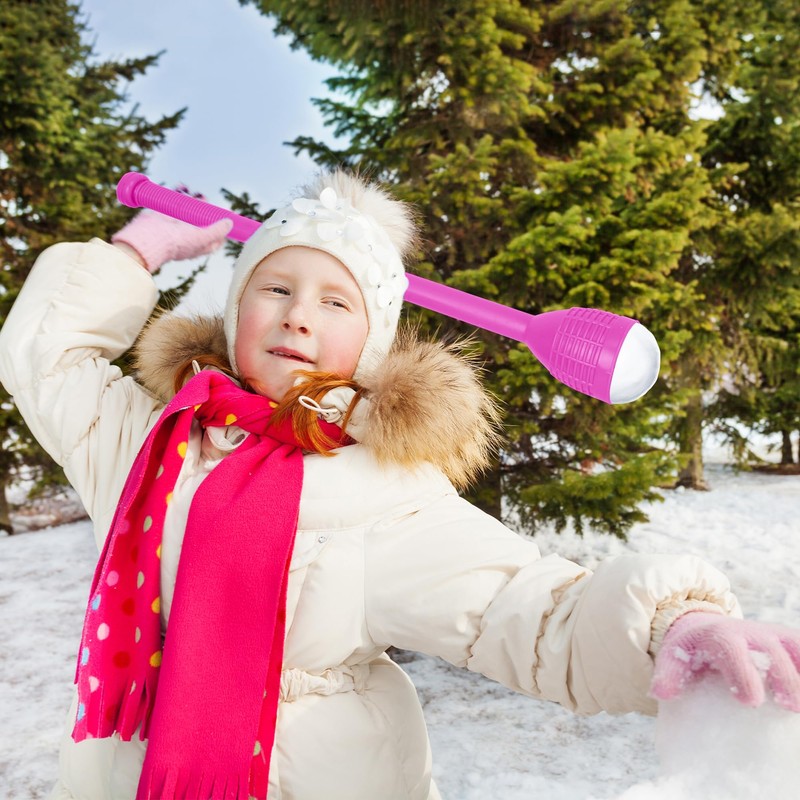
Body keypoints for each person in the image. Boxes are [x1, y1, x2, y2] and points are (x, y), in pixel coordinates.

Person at [0, 171, 798, 800]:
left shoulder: (385, 488)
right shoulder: (149, 439)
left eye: (334, 300)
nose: (297, 317)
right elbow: (46, 357)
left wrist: (671, 625)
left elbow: (523, 609)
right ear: (236, 308)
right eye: (274, 289)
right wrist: (133, 251)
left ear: (371, 342)